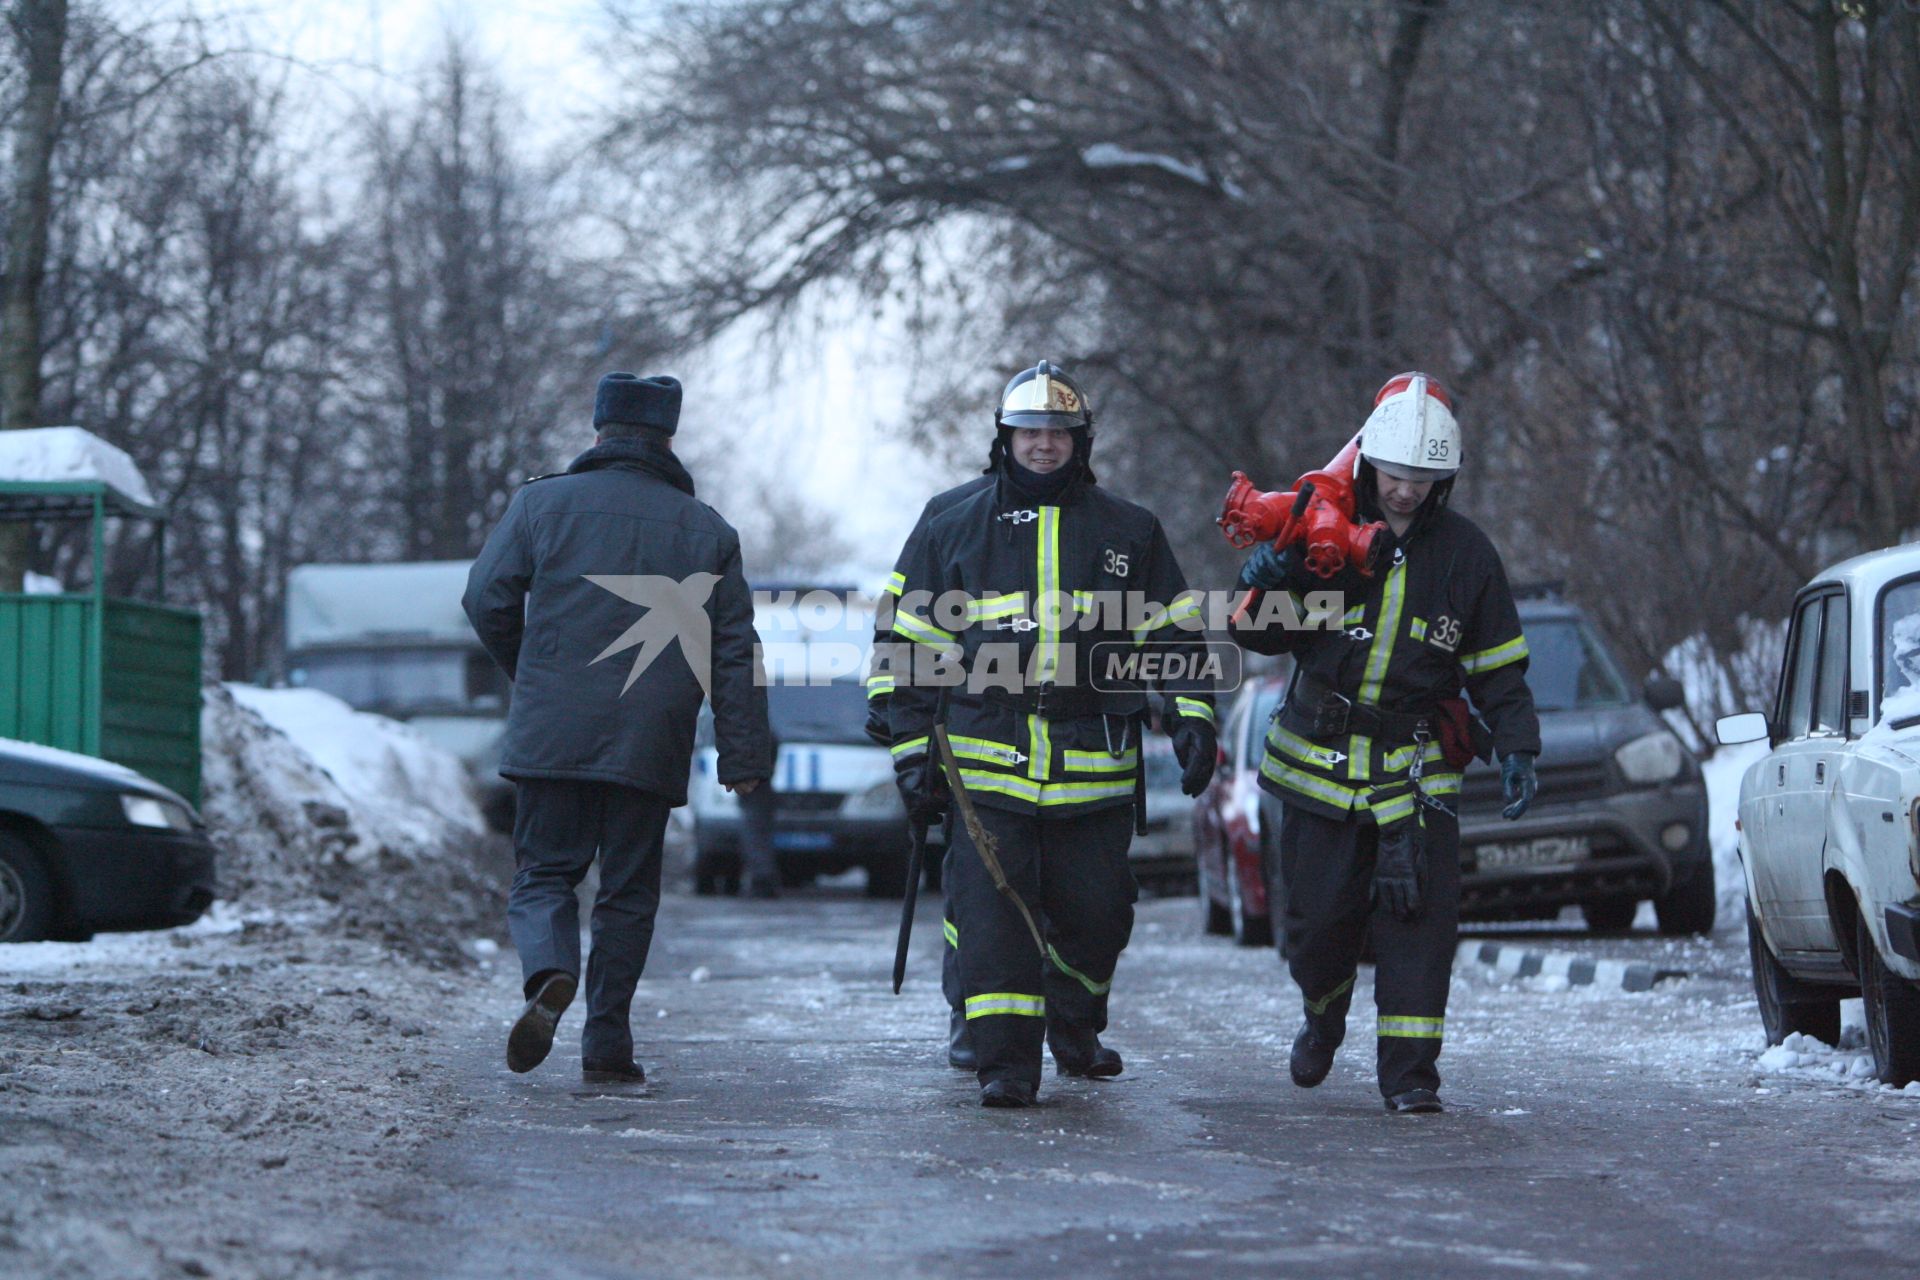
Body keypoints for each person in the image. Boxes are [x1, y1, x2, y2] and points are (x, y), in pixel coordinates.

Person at [885, 359, 1217, 1108]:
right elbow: (905, 644)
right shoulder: (949, 521)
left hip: (1093, 765)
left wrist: (1193, 713)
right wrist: (911, 754)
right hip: (984, 766)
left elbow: (1175, 634)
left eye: (1058, 432)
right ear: (1003, 438)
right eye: (1029, 431)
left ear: (1081, 441)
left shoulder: (1131, 530)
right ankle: (1005, 1063)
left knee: (1098, 916)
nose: (1043, 445)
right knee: (995, 915)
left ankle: (1074, 1023)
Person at [1231, 371, 1540, 1115]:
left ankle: (1410, 1077)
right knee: (1317, 924)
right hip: (1319, 767)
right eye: (1396, 475)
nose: (1406, 492)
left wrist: (1519, 744)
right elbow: (1258, 633)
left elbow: (1497, 665)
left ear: (1445, 481)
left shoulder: (1467, 557)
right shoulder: (1324, 533)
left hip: (1415, 771)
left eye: (1424, 480)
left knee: (1420, 931)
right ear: (1370, 463)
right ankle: (1323, 1011)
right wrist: (1272, 580)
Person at [464, 372, 772, 1085]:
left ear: (599, 432)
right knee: (628, 893)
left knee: (544, 873)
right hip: (650, 736)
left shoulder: (541, 505)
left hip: (552, 734)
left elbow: (486, 597)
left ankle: (550, 969)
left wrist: (533, 672)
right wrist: (743, 755)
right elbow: (735, 653)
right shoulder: (709, 531)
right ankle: (607, 1046)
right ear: (667, 437)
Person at [864, 477, 992, 1069]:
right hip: (962, 732)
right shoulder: (950, 515)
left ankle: (1066, 1019)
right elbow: (900, 623)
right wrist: (891, 713)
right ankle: (968, 1012)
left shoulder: (1091, 520)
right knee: (973, 889)